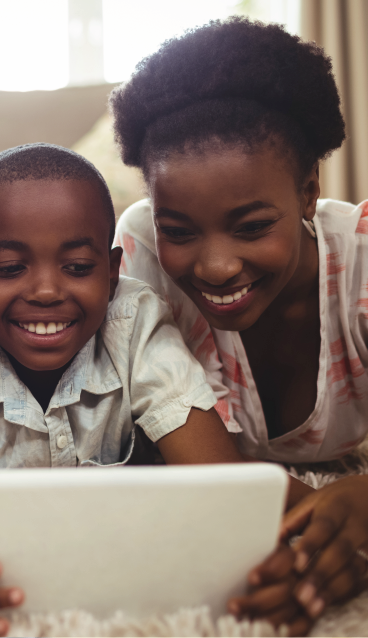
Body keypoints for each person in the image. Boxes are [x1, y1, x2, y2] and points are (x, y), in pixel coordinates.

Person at [0, 143, 313, 637]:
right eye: (10, 268)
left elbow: (221, 483)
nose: (47, 291)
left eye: (77, 267)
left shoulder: (135, 327)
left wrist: (276, 552)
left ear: (114, 274)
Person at [110, 16, 368, 629]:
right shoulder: (139, 251)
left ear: (308, 193)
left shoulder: (361, 262)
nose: (218, 267)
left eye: (253, 227)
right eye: (180, 231)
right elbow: (170, 454)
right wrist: (303, 523)